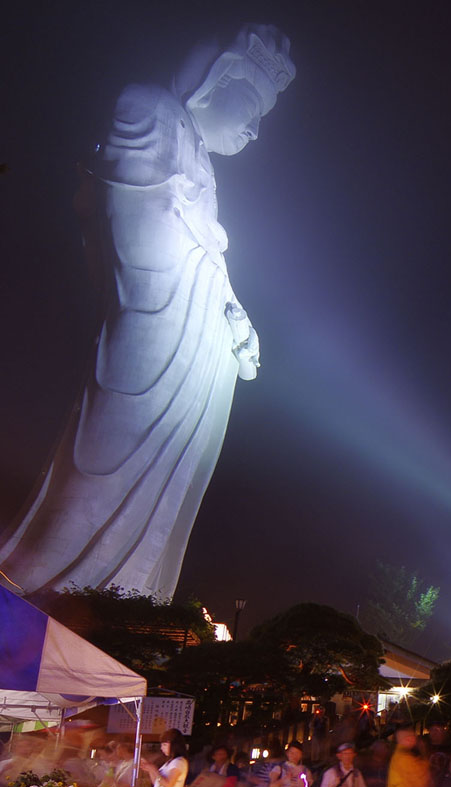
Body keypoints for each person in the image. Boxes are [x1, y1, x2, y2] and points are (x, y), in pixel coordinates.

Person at [0, 25, 295, 600]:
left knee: (175, 484)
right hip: (157, 319)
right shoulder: (147, 107)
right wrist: (213, 278)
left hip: (199, 335)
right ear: (217, 79)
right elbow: (138, 234)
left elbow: (205, 246)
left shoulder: (202, 160)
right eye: (252, 106)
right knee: (106, 464)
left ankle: (131, 606)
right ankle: (38, 592)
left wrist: (235, 314)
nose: (256, 129)